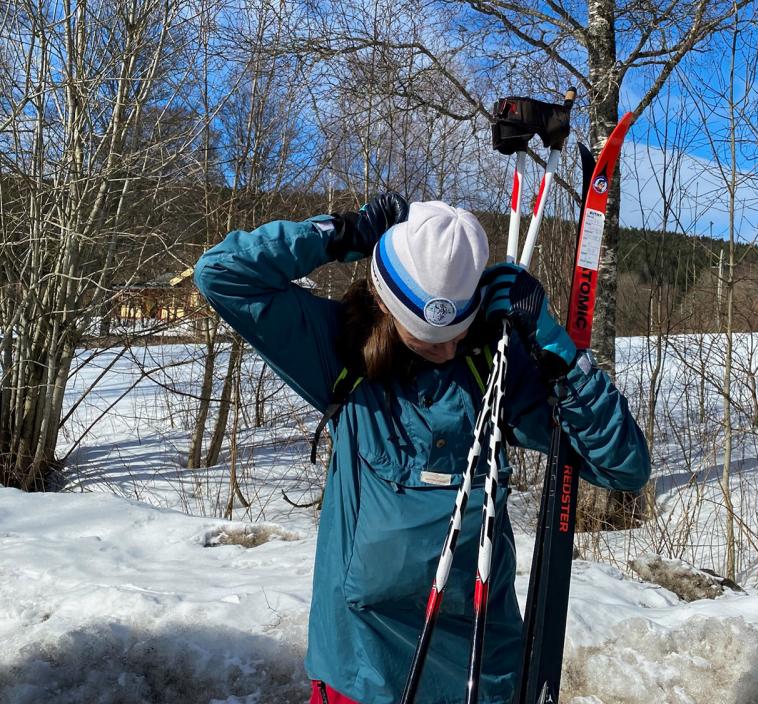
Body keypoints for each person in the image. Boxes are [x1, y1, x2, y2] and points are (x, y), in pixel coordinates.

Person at [194, 195, 650, 704]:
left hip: (479, 669)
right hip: (361, 668)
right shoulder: (338, 351)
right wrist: (340, 234)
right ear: (387, 306)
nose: (448, 350)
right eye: (428, 339)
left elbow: (624, 466)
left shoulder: (493, 366)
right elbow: (221, 274)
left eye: (456, 332)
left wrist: (557, 348)